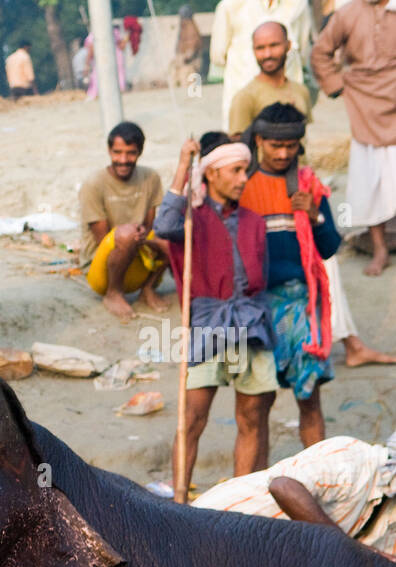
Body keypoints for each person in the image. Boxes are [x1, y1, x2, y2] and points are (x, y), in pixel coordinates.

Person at [230, 21, 396, 366]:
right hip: (264, 198)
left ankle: (345, 344)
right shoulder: (245, 97)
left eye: (274, 46)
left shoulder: (302, 92)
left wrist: (312, 196)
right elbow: (237, 155)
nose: (267, 54)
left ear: (289, 45)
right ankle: (336, 344)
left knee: (324, 261)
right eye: (260, 48)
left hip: (300, 193)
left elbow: (300, 151)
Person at [155, 133, 278, 498]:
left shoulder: (255, 222)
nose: (244, 178)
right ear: (211, 173)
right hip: (208, 322)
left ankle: (238, 505)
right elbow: (162, 226)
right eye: (236, 170)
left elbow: (261, 277)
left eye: (245, 170)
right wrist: (181, 165)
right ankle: (178, 502)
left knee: (252, 418)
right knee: (191, 419)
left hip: (250, 322)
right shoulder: (190, 220)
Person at [239, 103, 341, 446]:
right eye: (274, 145)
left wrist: (315, 216)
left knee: (309, 399)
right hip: (257, 306)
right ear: (258, 141)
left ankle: (317, 482)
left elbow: (329, 248)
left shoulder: (308, 184)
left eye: (291, 146)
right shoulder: (242, 184)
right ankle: (254, 491)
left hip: (300, 303)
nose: (283, 153)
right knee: (257, 405)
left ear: (300, 144)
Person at [193, 431, 396, 558]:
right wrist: (347, 548)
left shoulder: (391, 510)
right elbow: (283, 487)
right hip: (209, 530)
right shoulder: (352, 457)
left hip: (256, 559)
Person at [312, 0, 396, 277]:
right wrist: (337, 86)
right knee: (369, 179)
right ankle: (379, 248)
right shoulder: (346, 13)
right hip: (364, 105)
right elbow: (321, 53)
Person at [79, 120, 168, 321]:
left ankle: (147, 288)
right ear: (109, 151)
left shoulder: (150, 177)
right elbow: (103, 239)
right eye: (117, 152)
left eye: (130, 153)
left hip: (137, 255)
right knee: (126, 234)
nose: (123, 159)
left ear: (140, 152)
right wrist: (135, 238)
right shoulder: (94, 184)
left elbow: (150, 226)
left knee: (173, 234)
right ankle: (113, 293)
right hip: (103, 268)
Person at [210, 0, 312, 130]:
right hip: (244, 93)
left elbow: (303, 50)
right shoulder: (231, 5)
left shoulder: (298, 5)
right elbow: (218, 55)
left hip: (288, 94)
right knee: (241, 140)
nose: (267, 53)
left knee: (289, 140)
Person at [170, 5, 204, 86]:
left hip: (192, 61)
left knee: (185, 75)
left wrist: (186, 56)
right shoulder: (183, 27)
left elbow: (194, 45)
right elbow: (181, 44)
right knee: (173, 69)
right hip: (184, 58)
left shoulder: (191, 27)